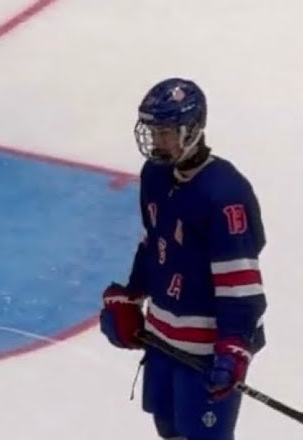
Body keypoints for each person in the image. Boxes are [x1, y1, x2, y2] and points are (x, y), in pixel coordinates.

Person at [99, 78, 268, 440]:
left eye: (165, 132)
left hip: (207, 351)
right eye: (153, 132)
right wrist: (132, 295)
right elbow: (154, 244)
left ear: (191, 130)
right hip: (162, 338)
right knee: (168, 429)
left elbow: (239, 283)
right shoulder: (155, 176)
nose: (156, 141)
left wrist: (235, 346)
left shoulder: (225, 194)